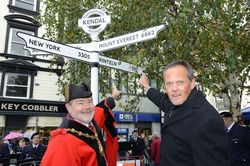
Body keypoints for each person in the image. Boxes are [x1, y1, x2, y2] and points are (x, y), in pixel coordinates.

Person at [139, 60, 230, 166]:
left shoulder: (208, 119)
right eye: (169, 83)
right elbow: (160, 99)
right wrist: (146, 86)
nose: (174, 89)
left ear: (192, 83)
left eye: (180, 82)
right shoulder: (175, 104)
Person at [41, 83, 121, 166]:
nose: (87, 107)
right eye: (80, 103)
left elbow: (102, 109)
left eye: (90, 101)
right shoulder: (62, 142)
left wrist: (113, 97)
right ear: (68, 107)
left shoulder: (91, 124)